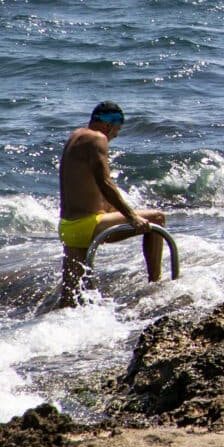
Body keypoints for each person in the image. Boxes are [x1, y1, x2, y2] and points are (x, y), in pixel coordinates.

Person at [58, 101, 166, 305]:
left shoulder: (76, 136)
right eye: (118, 130)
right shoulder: (98, 139)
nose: (116, 135)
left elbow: (90, 190)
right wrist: (132, 217)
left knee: (70, 298)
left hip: (68, 227)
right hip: (88, 226)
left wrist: (117, 209)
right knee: (157, 219)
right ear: (109, 125)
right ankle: (155, 284)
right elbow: (105, 183)